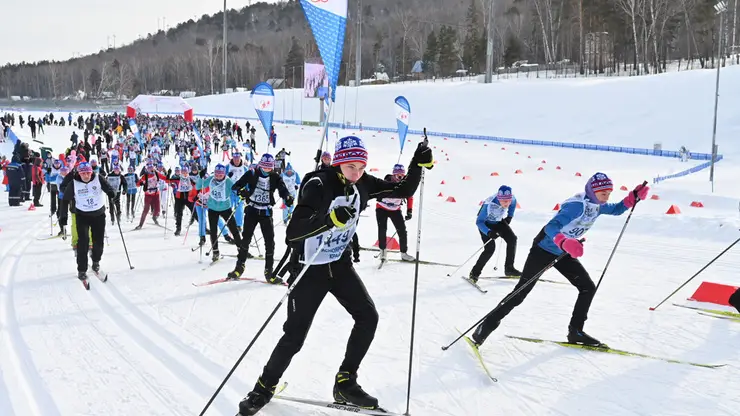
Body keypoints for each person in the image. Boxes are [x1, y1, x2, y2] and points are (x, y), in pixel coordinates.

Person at [236, 136, 433, 416]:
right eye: (352, 167)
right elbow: (294, 233)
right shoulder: (318, 184)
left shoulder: (362, 183)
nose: (357, 173)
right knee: (294, 336)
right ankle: (263, 388)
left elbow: (402, 189)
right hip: (309, 268)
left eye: (362, 167)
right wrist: (328, 220)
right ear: (339, 163)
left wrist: (417, 162)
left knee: (368, 316)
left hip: (339, 265)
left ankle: (345, 382)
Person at [469, 173, 649, 348]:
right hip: (544, 249)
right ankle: (485, 327)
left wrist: (632, 197)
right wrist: (563, 241)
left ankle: (576, 331)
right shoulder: (576, 206)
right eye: (603, 193)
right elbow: (551, 227)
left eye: (609, 193)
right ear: (593, 191)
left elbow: (616, 209)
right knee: (521, 292)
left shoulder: (597, 204)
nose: (606, 197)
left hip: (564, 252)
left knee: (587, 287)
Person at [227, 154, 292, 281]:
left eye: (269, 167)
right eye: (264, 166)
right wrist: (242, 192)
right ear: (260, 164)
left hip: (265, 212)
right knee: (245, 239)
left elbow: (282, 189)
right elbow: (235, 187)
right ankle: (239, 268)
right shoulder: (252, 173)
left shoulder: (275, 177)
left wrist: (287, 197)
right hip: (252, 210)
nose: (267, 169)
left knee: (269, 242)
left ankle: (269, 272)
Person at [62, 162, 116, 281]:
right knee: (83, 242)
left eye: (88, 173)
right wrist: (63, 217)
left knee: (98, 242)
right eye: (83, 173)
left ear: (91, 172)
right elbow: (65, 200)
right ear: (79, 173)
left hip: (99, 214)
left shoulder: (98, 178)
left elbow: (109, 188)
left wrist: (112, 193)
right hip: (82, 216)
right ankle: (82, 269)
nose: (86, 176)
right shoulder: (73, 183)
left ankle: (96, 260)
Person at [469, 185, 520, 282]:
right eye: (504, 201)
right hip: (486, 225)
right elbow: (479, 222)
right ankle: (474, 273)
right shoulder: (489, 204)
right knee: (490, 249)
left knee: (512, 239)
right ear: (498, 198)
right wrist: (488, 232)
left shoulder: (511, 199)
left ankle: (509, 269)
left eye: (508, 201)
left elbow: (513, 203)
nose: (507, 203)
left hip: (498, 222)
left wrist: (509, 216)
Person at [375, 164, 414, 262]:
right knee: (382, 229)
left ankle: (404, 253)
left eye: (402, 176)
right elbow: (376, 190)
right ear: (393, 175)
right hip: (382, 208)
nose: (400, 178)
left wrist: (409, 210)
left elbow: (409, 196)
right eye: (398, 176)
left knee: (402, 231)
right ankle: (383, 251)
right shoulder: (386, 182)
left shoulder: (404, 184)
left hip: (395, 210)